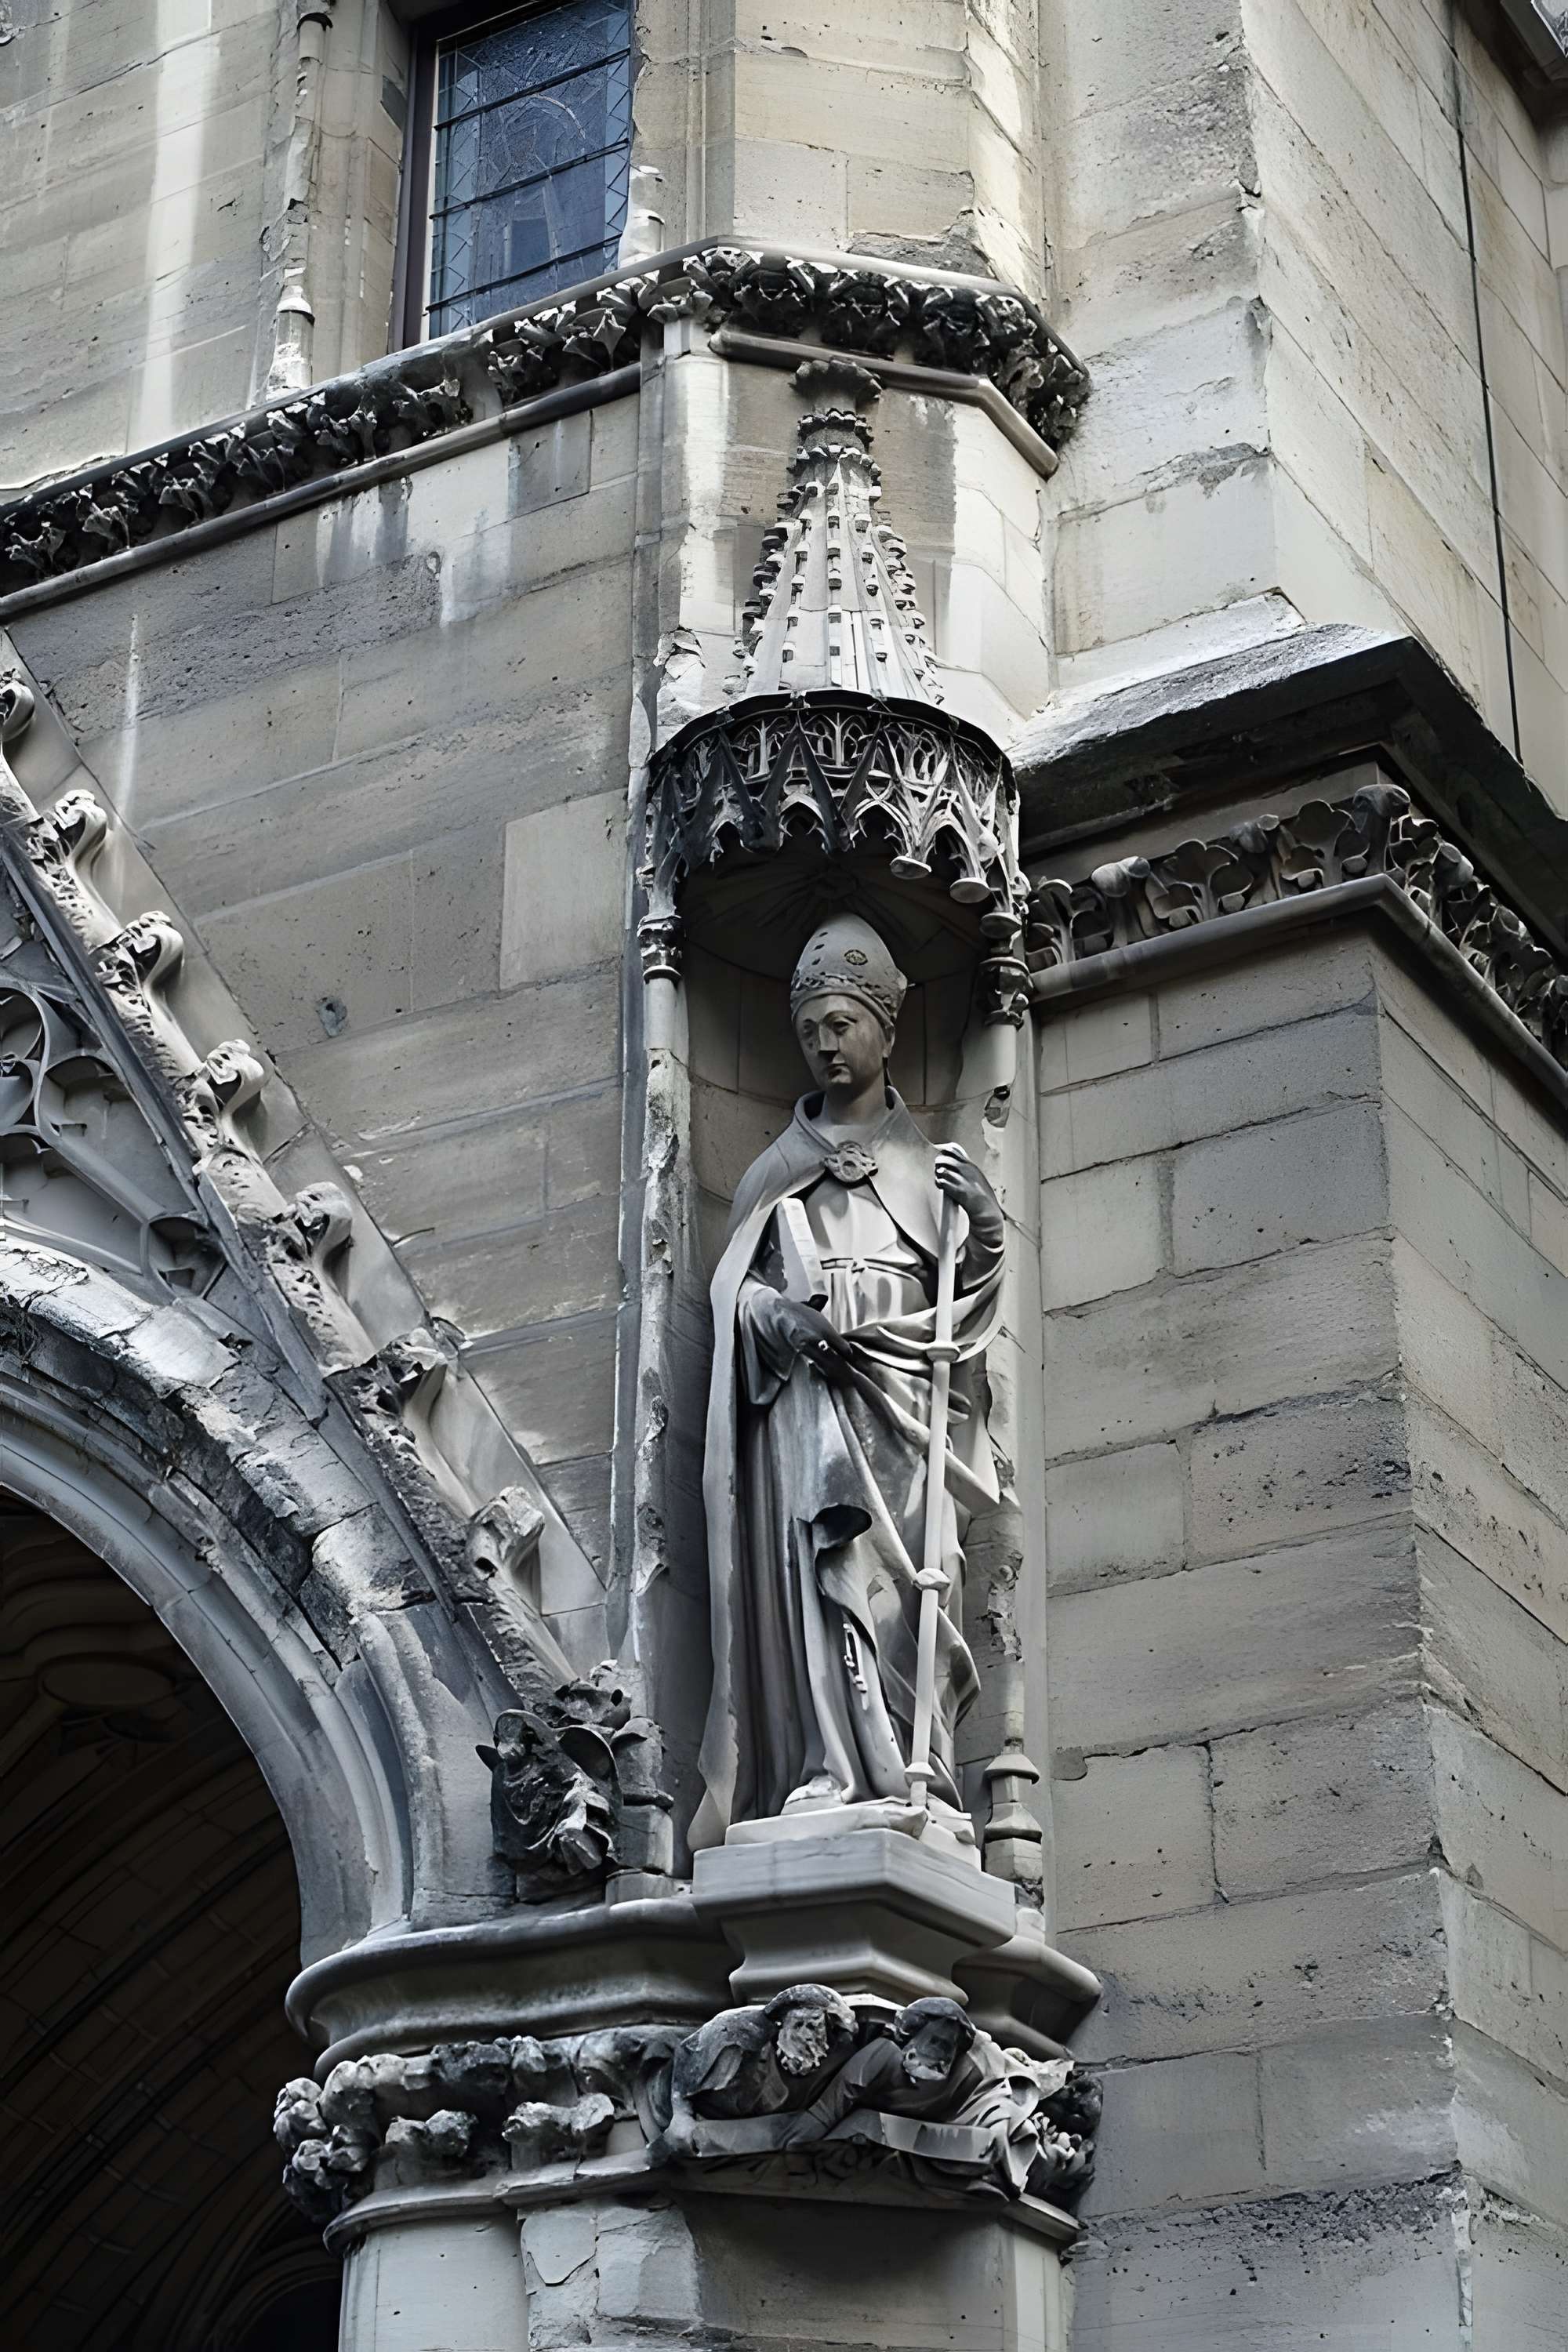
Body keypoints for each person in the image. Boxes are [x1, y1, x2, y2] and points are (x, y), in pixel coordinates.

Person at [692, 913, 1005, 1847]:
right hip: (806, 1404)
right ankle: (827, 1765)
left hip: (902, 1400)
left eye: (841, 1024)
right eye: (809, 1031)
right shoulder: (773, 1172)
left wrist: (985, 1227)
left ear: (884, 1029)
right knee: (819, 1568)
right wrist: (781, 1321)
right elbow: (733, 1298)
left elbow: (971, 1310)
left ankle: (916, 1768)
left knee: (907, 1582)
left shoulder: (930, 1169)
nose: (826, 1045)